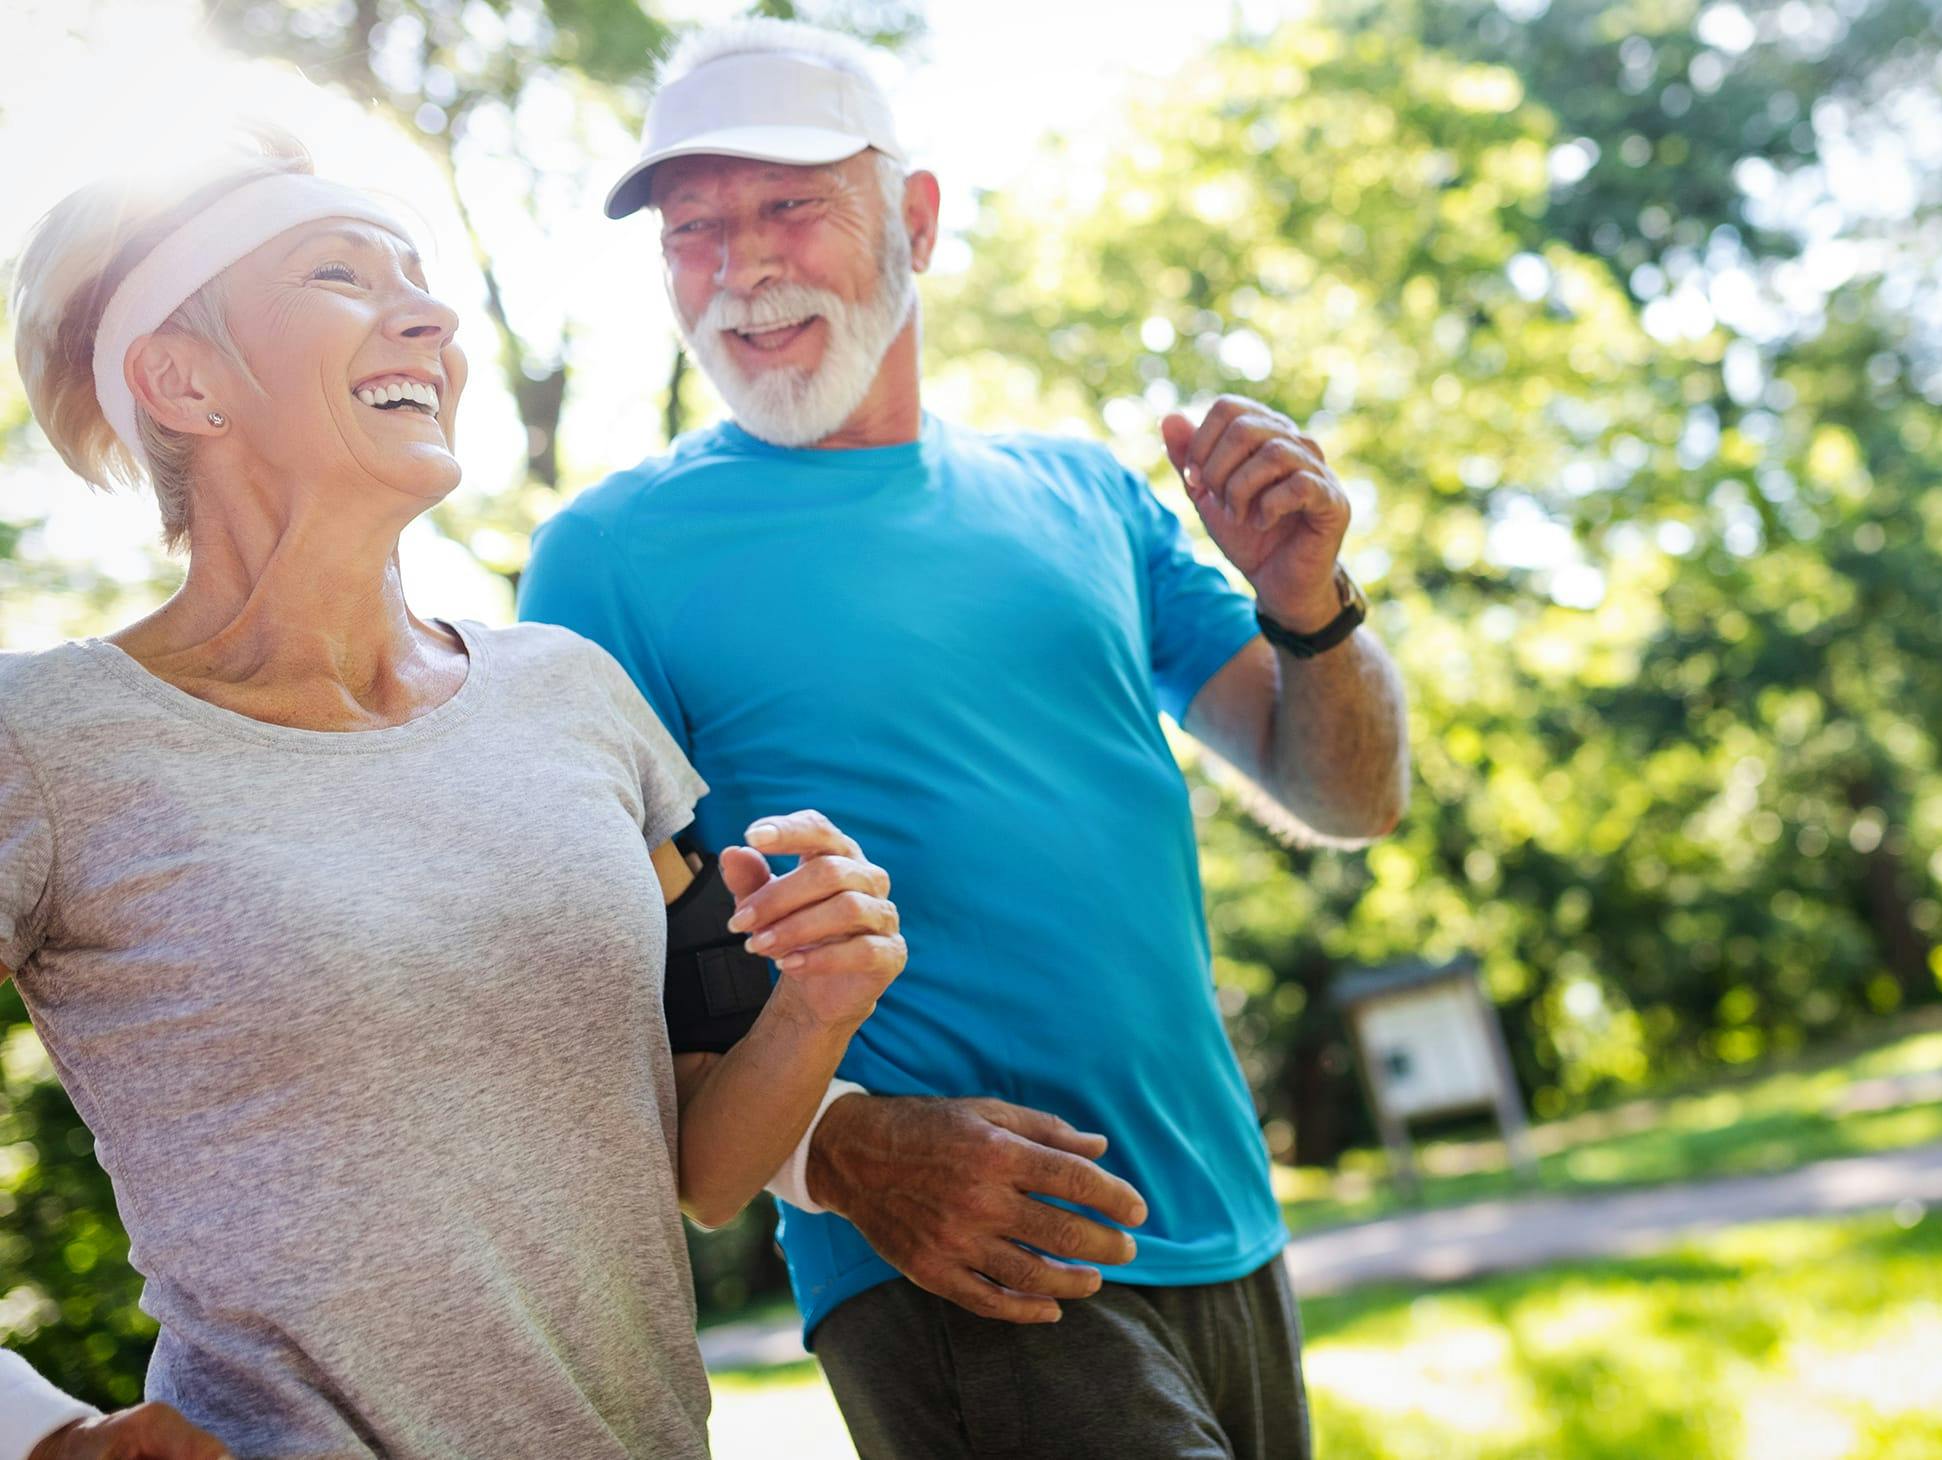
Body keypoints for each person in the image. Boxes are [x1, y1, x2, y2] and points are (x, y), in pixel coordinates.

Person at [518, 18, 1411, 1460]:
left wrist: (1311, 608)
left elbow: (1349, 796)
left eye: (790, 206)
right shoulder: (608, 557)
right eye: (694, 230)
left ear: (917, 222)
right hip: (957, 1255)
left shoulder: (1084, 495)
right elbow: (606, 988)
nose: (741, 265)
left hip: (1226, 1221)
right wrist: (847, 1152)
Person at [0, 128, 905, 1460]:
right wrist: (39, 1431)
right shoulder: (45, 739)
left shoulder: (572, 693)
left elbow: (706, 1170)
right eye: (340, 274)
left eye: (421, 279)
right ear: (184, 379)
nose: (432, 319)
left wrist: (820, 1002)